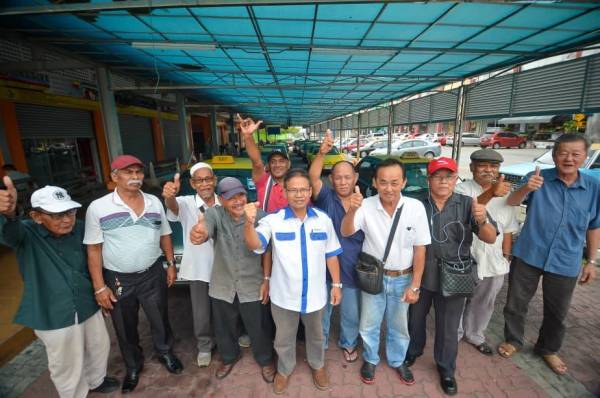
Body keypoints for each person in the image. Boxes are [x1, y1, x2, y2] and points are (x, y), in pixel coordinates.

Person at [0, 180, 118, 398]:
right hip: (52, 311)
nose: (66, 220)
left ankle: (96, 380)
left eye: (70, 212)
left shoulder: (80, 228)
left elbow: (97, 257)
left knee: (99, 345)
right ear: (36, 217)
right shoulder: (26, 233)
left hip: (86, 301)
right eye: (57, 215)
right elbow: (9, 234)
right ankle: (73, 395)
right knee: (65, 362)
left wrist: (102, 289)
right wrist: (9, 214)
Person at [499, 133, 599, 375]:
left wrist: (591, 261)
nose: (568, 158)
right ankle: (513, 340)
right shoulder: (537, 177)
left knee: (558, 311)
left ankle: (548, 349)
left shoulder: (593, 187)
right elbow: (510, 202)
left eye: (576, 154)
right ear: (554, 155)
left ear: (585, 157)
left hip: (567, 259)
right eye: (563, 153)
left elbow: (594, 225)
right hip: (530, 253)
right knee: (516, 304)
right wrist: (526, 188)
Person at [83, 155, 182, 394]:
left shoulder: (154, 203)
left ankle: (165, 352)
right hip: (118, 278)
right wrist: (99, 287)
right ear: (115, 177)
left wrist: (170, 264)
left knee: (160, 317)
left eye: (138, 172)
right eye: (129, 172)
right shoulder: (98, 207)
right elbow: (94, 249)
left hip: (151, 273)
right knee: (124, 326)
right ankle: (133, 366)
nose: (135, 177)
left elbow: (165, 235)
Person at [243, 169, 343, 395]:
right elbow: (254, 244)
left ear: (310, 191)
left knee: (317, 336)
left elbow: (332, 254)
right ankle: (285, 370)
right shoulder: (273, 221)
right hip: (284, 295)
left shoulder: (323, 220)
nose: (299, 195)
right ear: (285, 192)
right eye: (293, 190)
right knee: (284, 338)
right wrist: (248, 224)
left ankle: (317, 366)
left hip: (316, 295)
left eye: (303, 189)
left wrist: (337, 285)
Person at [406, 157, 497, 396]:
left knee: (448, 326)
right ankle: (413, 351)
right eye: (437, 176)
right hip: (421, 274)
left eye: (448, 176)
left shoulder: (470, 204)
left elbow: (490, 237)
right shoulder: (416, 205)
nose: (443, 181)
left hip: (455, 274)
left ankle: (446, 368)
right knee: (414, 319)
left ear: (456, 179)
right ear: (429, 180)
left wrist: (482, 218)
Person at [340, 158, 430, 385]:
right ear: (375, 182)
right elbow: (346, 231)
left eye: (394, 182)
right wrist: (352, 209)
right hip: (373, 277)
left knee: (399, 325)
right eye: (383, 182)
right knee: (368, 323)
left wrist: (415, 284)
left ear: (404, 182)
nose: (389, 188)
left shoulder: (415, 208)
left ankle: (398, 360)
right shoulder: (366, 205)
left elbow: (420, 249)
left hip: (404, 277)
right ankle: (370, 358)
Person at [188, 177, 276, 382]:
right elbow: (206, 227)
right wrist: (200, 232)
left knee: (259, 326)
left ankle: (265, 360)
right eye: (231, 198)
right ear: (221, 199)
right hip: (222, 282)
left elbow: (267, 252)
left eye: (241, 195)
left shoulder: (261, 216)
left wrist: (266, 280)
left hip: (252, 283)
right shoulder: (214, 214)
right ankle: (228, 357)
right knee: (223, 326)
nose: (238, 201)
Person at [308, 129, 364, 363]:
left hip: (351, 266)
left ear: (355, 179)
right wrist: (322, 153)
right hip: (324, 266)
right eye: (338, 177)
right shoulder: (326, 197)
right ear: (331, 180)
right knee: (322, 310)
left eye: (347, 177)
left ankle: (348, 342)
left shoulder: (365, 202)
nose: (342, 181)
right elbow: (313, 177)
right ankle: (319, 342)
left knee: (351, 312)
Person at [455, 149, 518, 355]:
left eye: (493, 166)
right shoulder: (461, 190)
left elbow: (508, 228)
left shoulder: (506, 194)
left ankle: (475, 335)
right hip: (465, 257)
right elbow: (468, 212)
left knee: (484, 302)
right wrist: (492, 192)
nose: (488, 170)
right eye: (483, 165)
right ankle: (454, 333)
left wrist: (506, 255)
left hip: (494, 259)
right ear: (472, 167)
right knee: (458, 298)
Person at [162, 162, 219, 367]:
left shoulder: (225, 203)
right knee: (201, 312)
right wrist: (169, 195)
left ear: (215, 180)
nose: (205, 184)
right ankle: (204, 346)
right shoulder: (185, 203)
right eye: (199, 180)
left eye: (208, 179)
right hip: (199, 268)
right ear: (193, 184)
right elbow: (173, 206)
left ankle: (228, 339)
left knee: (226, 309)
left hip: (224, 269)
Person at [238, 114, 290, 212]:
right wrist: (248, 136)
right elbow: (257, 162)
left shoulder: (297, 182)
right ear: (268, 166)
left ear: (288, 164)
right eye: (273, 162)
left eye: (281, 161)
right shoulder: (263, 181)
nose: (277, 165)